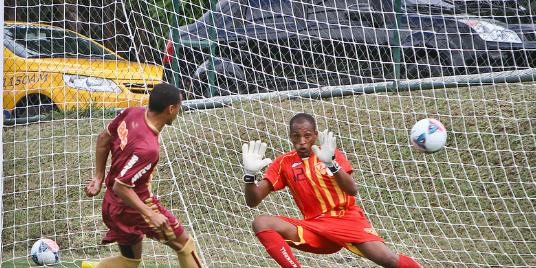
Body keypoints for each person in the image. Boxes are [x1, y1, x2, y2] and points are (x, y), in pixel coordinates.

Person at [241, 113, 422, 268]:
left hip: (346, 219)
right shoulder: (283, 163)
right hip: (315, 227)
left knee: (388, 259)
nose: (302, 142)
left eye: (307, 135)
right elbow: (253, 200)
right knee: (261, 222)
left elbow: (352, 190)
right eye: (296, 136)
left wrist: (331, 164)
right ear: (290, 136)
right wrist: (249, 175)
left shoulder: (328, 153)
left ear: (316, 135)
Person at [83, 83, 202, 268]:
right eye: (179, 107)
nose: (179, 111)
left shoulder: (132, 113)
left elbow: (103, 138)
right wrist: (150, 214)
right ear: (171, 109)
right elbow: (121, 186)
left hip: (112, 204)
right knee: (185, 246)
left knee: (129, 262)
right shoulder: (148, 148)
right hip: (133, 207)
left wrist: (99, 177)